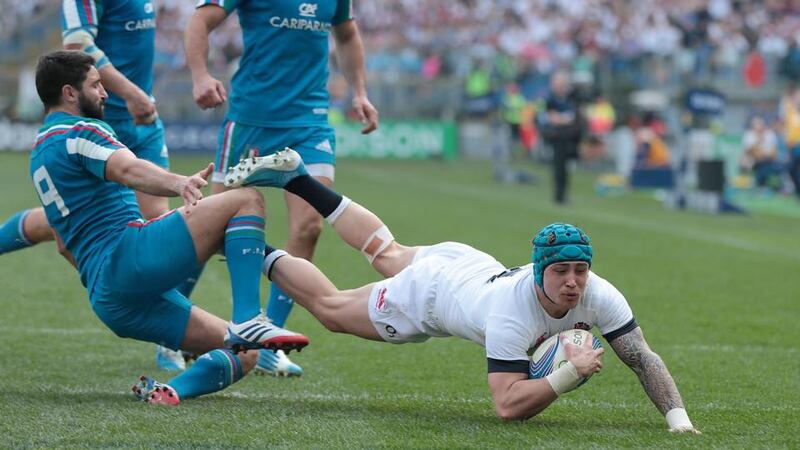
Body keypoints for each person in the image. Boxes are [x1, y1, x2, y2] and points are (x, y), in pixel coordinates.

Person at [215, 149, 700, 431]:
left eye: (581, 270)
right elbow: (507, 406)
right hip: (429, 295)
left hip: (468, 264)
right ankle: (240, 241)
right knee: (331, 309)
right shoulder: (513, 313)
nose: (573, 281)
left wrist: (679, 421)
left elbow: (642, 358)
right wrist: (568, 374)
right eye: (561, 272)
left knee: (385, 250)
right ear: (538, 272)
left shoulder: (600, 293)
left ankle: (298, 178)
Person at [28, 50, 309, 405]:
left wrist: (112, 279)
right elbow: (127, 168)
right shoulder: (80, 130)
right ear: (69, 93)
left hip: (108, 298)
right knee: (246, 200)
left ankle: (169, 392)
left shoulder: (39, 154)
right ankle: (248, 318)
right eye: (96, 85)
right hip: (127, 257)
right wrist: (179, 183)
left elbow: (63, 245)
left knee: (246, 353)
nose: (104, 93)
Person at [184, 0, 379, 377]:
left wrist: (359, 92)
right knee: (207, 228)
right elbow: (199, 21)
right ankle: (172, 327)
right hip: (251, 120)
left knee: (309, 227)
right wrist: (200, 75)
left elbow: (347, 34)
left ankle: (268, 340)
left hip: (310, 123)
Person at [0, 0, 193, 371]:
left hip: (141, 120)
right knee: (66, 223)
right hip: (101, 117)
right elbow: (77, 43)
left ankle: (175, 334)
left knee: (160, 225)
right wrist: (131, 93)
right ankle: (176, 329)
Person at [538, 71, 583, 205]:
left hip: (568, 137)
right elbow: (550, 117)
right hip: (555, 136)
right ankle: (559, 196)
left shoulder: (570, 99)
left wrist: (561, 119)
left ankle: (563, 195)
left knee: (566, 167)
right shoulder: (549, 99)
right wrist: (562, 119)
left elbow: (572, 117)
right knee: (558, 167)